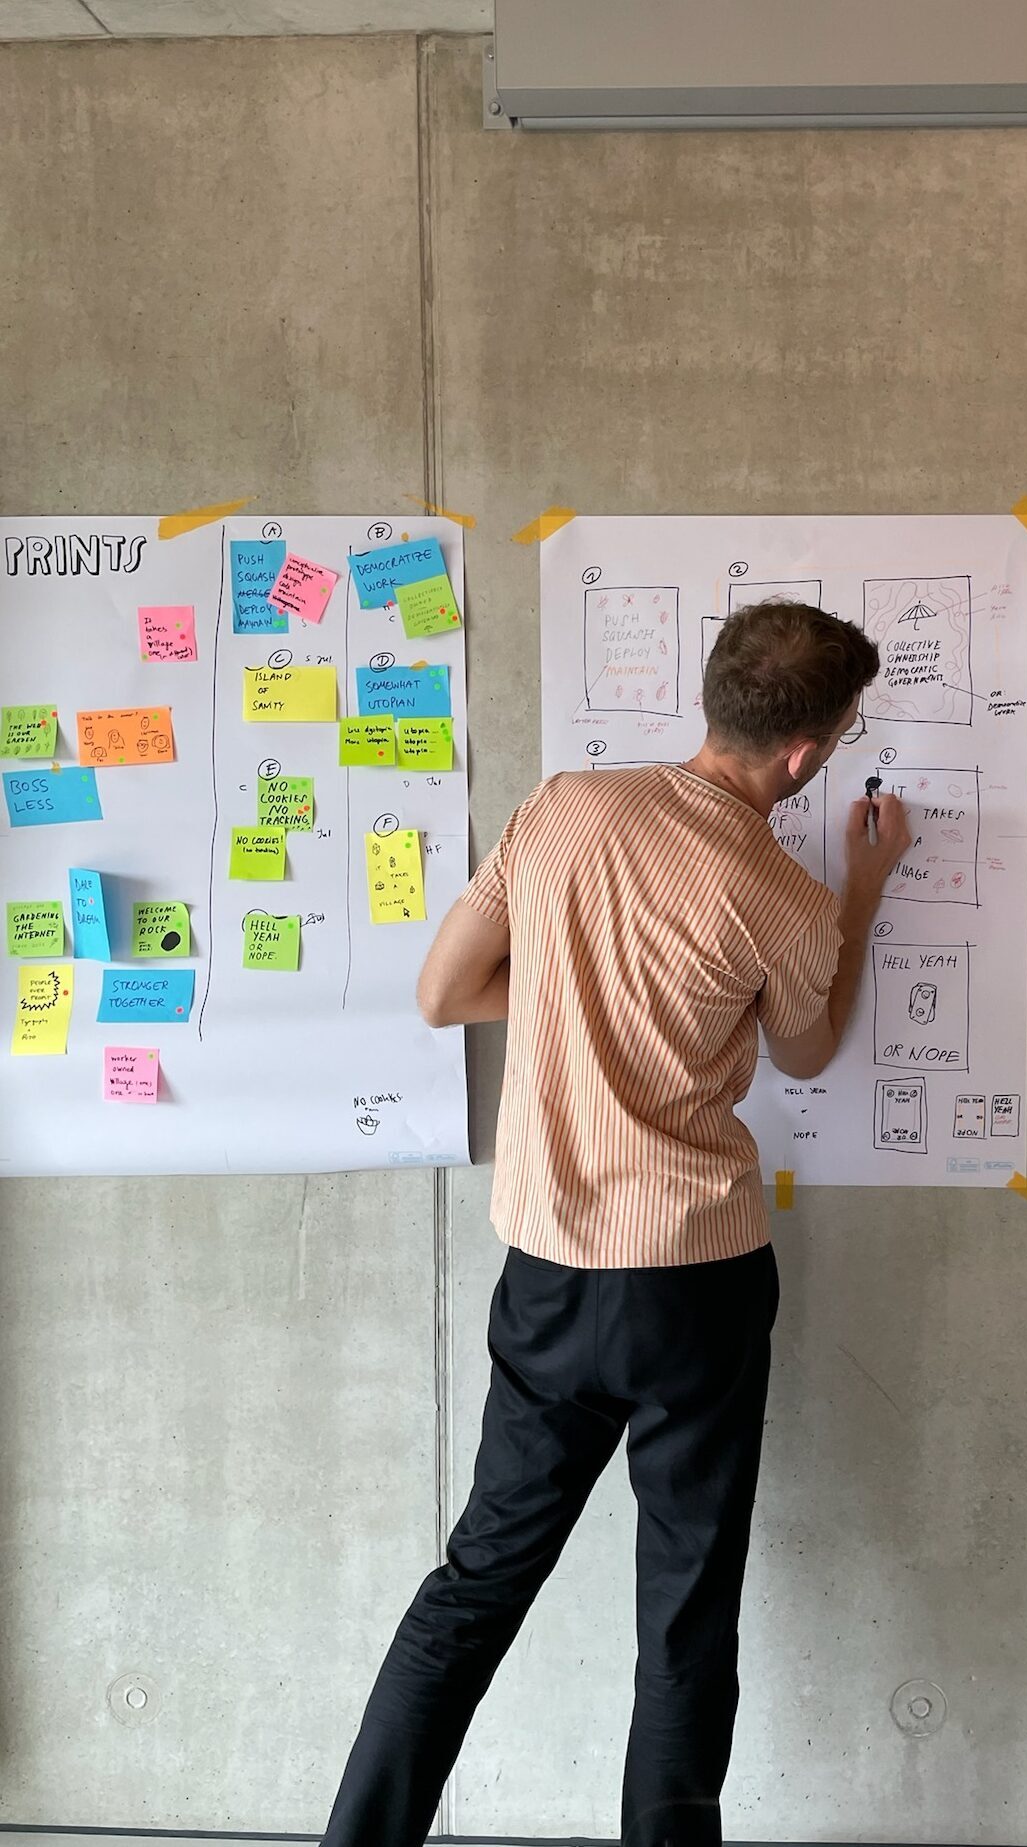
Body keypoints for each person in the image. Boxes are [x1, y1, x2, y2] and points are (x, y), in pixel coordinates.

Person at [318, 600, 911, 1847]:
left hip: (548, 1276)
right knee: (686, 1609)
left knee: (473, 1585)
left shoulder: (561, 809)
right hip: (695, 1276)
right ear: (804, 754)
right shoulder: (786, 896)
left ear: (714, 698)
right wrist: (860, 889)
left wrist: (565, 993)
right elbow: (804, 1054)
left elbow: (441, 995)